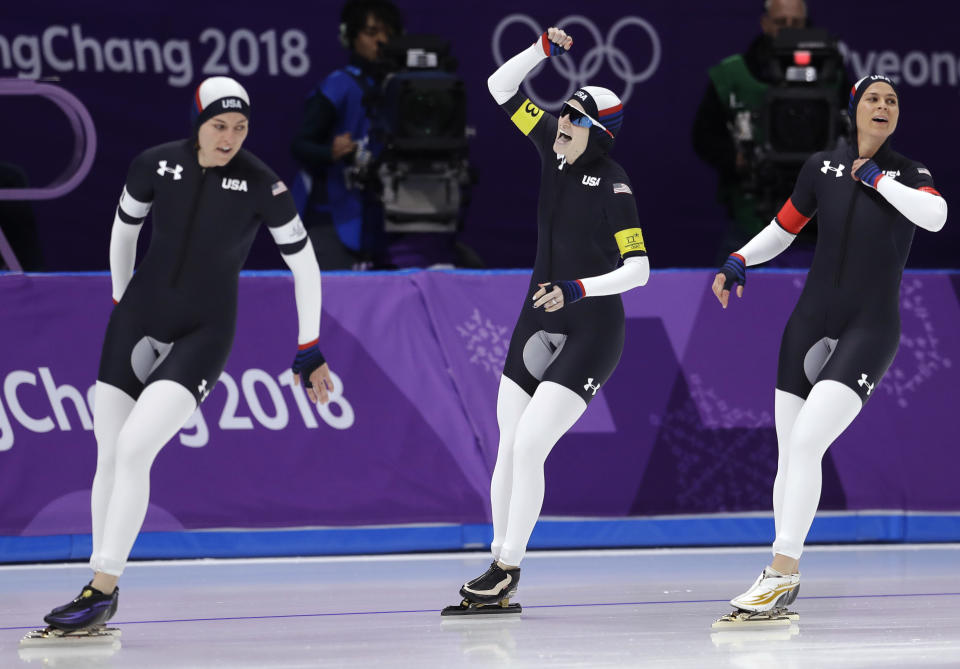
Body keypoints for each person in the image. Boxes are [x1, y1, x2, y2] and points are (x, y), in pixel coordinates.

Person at [30, 76, 334, 640]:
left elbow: (306, 267)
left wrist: (308, 347)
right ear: (197, 122)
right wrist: (122, 303)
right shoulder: (153, 164)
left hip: (204, 331)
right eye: (219, 125)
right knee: (108, 454)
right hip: (137, 320)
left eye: (240, 128)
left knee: (134, 447)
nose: (229, 137)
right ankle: (99, 589)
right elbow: (124, 233)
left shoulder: (263, 185)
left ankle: (101, 587)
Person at [710, 74, 947, 627]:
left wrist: (878, 180)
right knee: (790, 450)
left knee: (809, 440)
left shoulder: (910, 174)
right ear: (853, 109)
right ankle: (781, 579)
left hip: (870, 327)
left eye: (892, 101)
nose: (883, 107)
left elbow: (935, 217)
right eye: (873, 99)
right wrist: (740, 259)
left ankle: (780, 570)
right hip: (809, 323)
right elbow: (784, 227)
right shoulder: (821, 167)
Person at [442, 27, 651, 616]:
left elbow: (639, 271)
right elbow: (498, 85)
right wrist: (539, 50)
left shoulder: (614, 186)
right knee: (509, 445)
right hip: (538, 317)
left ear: (600, 135)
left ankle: (508, 569)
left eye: (576, 119)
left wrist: (578, 288)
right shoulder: (548, 145)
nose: (562, 122)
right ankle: (496, 567)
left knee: (532, 443)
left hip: (593, 329)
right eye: (563, 112)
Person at [692, 0, 847, 262]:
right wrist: (738, 160)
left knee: (837, 298)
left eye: (796, 24)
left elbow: (859, 129)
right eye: (780, 23)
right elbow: (704, 136)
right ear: (765, 24)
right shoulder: (733, 76)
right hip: (754, 215)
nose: (788, 31)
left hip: (820, 213)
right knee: (728, 294)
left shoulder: (834, 75)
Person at [291, 0, 403, 269]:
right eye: (371, 32)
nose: (381, 41)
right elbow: (300, 146)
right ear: (350, 37)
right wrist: (330, 152)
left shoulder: (398, 87)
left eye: (387, 33)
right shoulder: (339, 85)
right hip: (330, 220)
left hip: (382, 222)